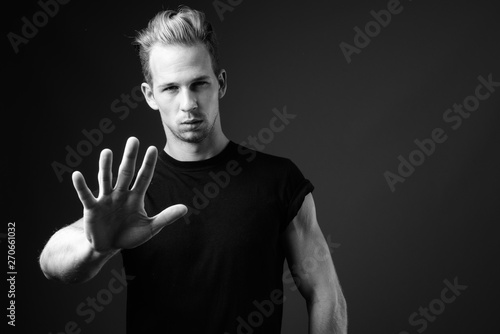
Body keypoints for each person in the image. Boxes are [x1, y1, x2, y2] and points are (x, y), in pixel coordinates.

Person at [39, 6, 347, 333]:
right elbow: (51, 263)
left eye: (199, 84)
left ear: (221, 83)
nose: (188, 104)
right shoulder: (134, 194)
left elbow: (326, 293)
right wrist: (95, 247)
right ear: (150, 95)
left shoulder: (278, 181)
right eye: (171, 88)